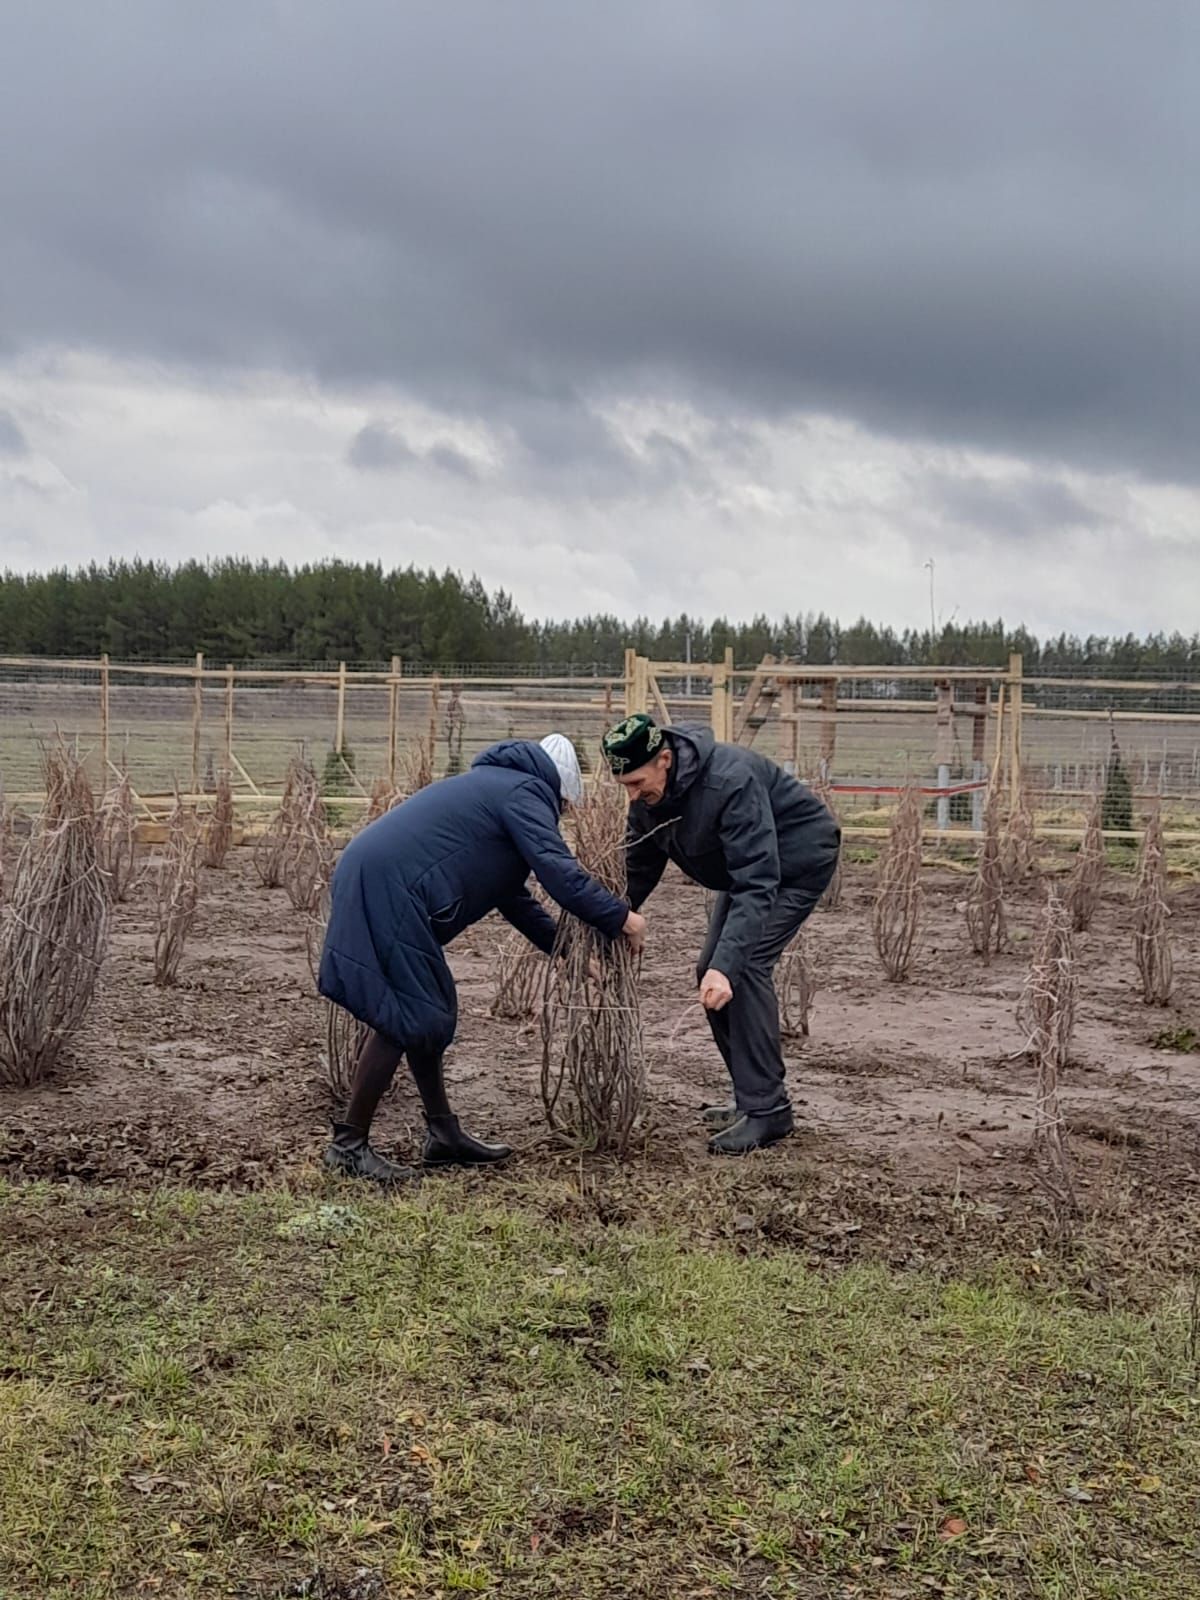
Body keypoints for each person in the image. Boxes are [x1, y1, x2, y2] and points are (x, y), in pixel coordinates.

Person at [319, 733, 647, 1183]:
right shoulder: (523, 791)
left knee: (423, 1012)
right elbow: (559, 873)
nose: (561, 816)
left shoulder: (495, 789)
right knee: (408, 1012)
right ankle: (349, 1147)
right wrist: (622, 918)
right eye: (565, 807)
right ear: (559, 789)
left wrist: (567, 952)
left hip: (378, 878)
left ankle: (443, 1135)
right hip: (389, 888)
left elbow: (512, 897)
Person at [602, 712, 839, 1155]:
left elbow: (759, 879)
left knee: (741, 968)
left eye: (637, 782)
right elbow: (639, 868)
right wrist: (612, 920)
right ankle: (751, 1098)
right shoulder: (650, 800)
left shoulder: (728, 781)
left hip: (793, 865)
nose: (633, 796)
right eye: (625, 787)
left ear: (665, 759)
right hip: (745, 873)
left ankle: (769, 1112)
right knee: (709, 973)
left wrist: (725, 968)